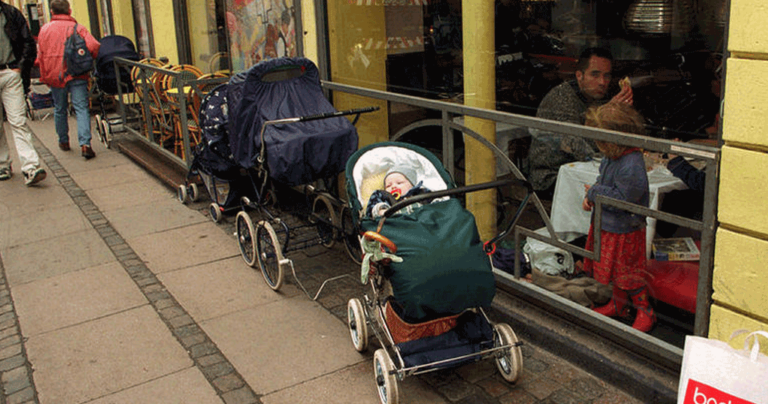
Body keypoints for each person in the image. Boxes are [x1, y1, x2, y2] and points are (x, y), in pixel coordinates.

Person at [580, 103, 655, 332]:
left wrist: (594, 193)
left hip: (625, 229)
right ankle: (618, 304)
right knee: (615, 271)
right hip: (609, 225)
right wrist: (593, 197)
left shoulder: (631, 163)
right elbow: (605, 183)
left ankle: (645, 310)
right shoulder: (612, 157)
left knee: (628, 273)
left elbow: (624, 199)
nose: (598, 146)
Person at [527, 47, 633, 198]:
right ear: (579, 76)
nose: (602, 82)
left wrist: (623, 116)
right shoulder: (561, 99)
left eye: (607, 76)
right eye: (595, 75)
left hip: (586, 171)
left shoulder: (601, 97)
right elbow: (583, 149)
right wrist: (605, 116)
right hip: (550, 177)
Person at [36, 0, 100, 159]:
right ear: (69, 11)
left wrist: (44, 74)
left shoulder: (44, 30)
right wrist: (86, 59)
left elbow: (40, 56)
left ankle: (63, 141)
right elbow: (94, 46)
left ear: (52, 12)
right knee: (81, 108)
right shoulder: (78, 28)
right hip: (77, 73)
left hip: (55, 75)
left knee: (59, 108)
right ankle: (85, 144)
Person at [0, 1, 47, 185]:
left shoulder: (11, 13)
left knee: (18, 122)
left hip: (10, 73)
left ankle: (30, 167)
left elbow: (28, 42)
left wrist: (20, 68)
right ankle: (2, 164)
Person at [365, 165, 430, 219]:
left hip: (421, 220)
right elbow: (373, 205)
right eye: (388, 186)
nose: (393, 186)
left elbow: (436, 203)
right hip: (395, 222)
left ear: (412, 185)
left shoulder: (421, 192)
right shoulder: (384, 195)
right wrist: (381, 210)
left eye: (399, 183)